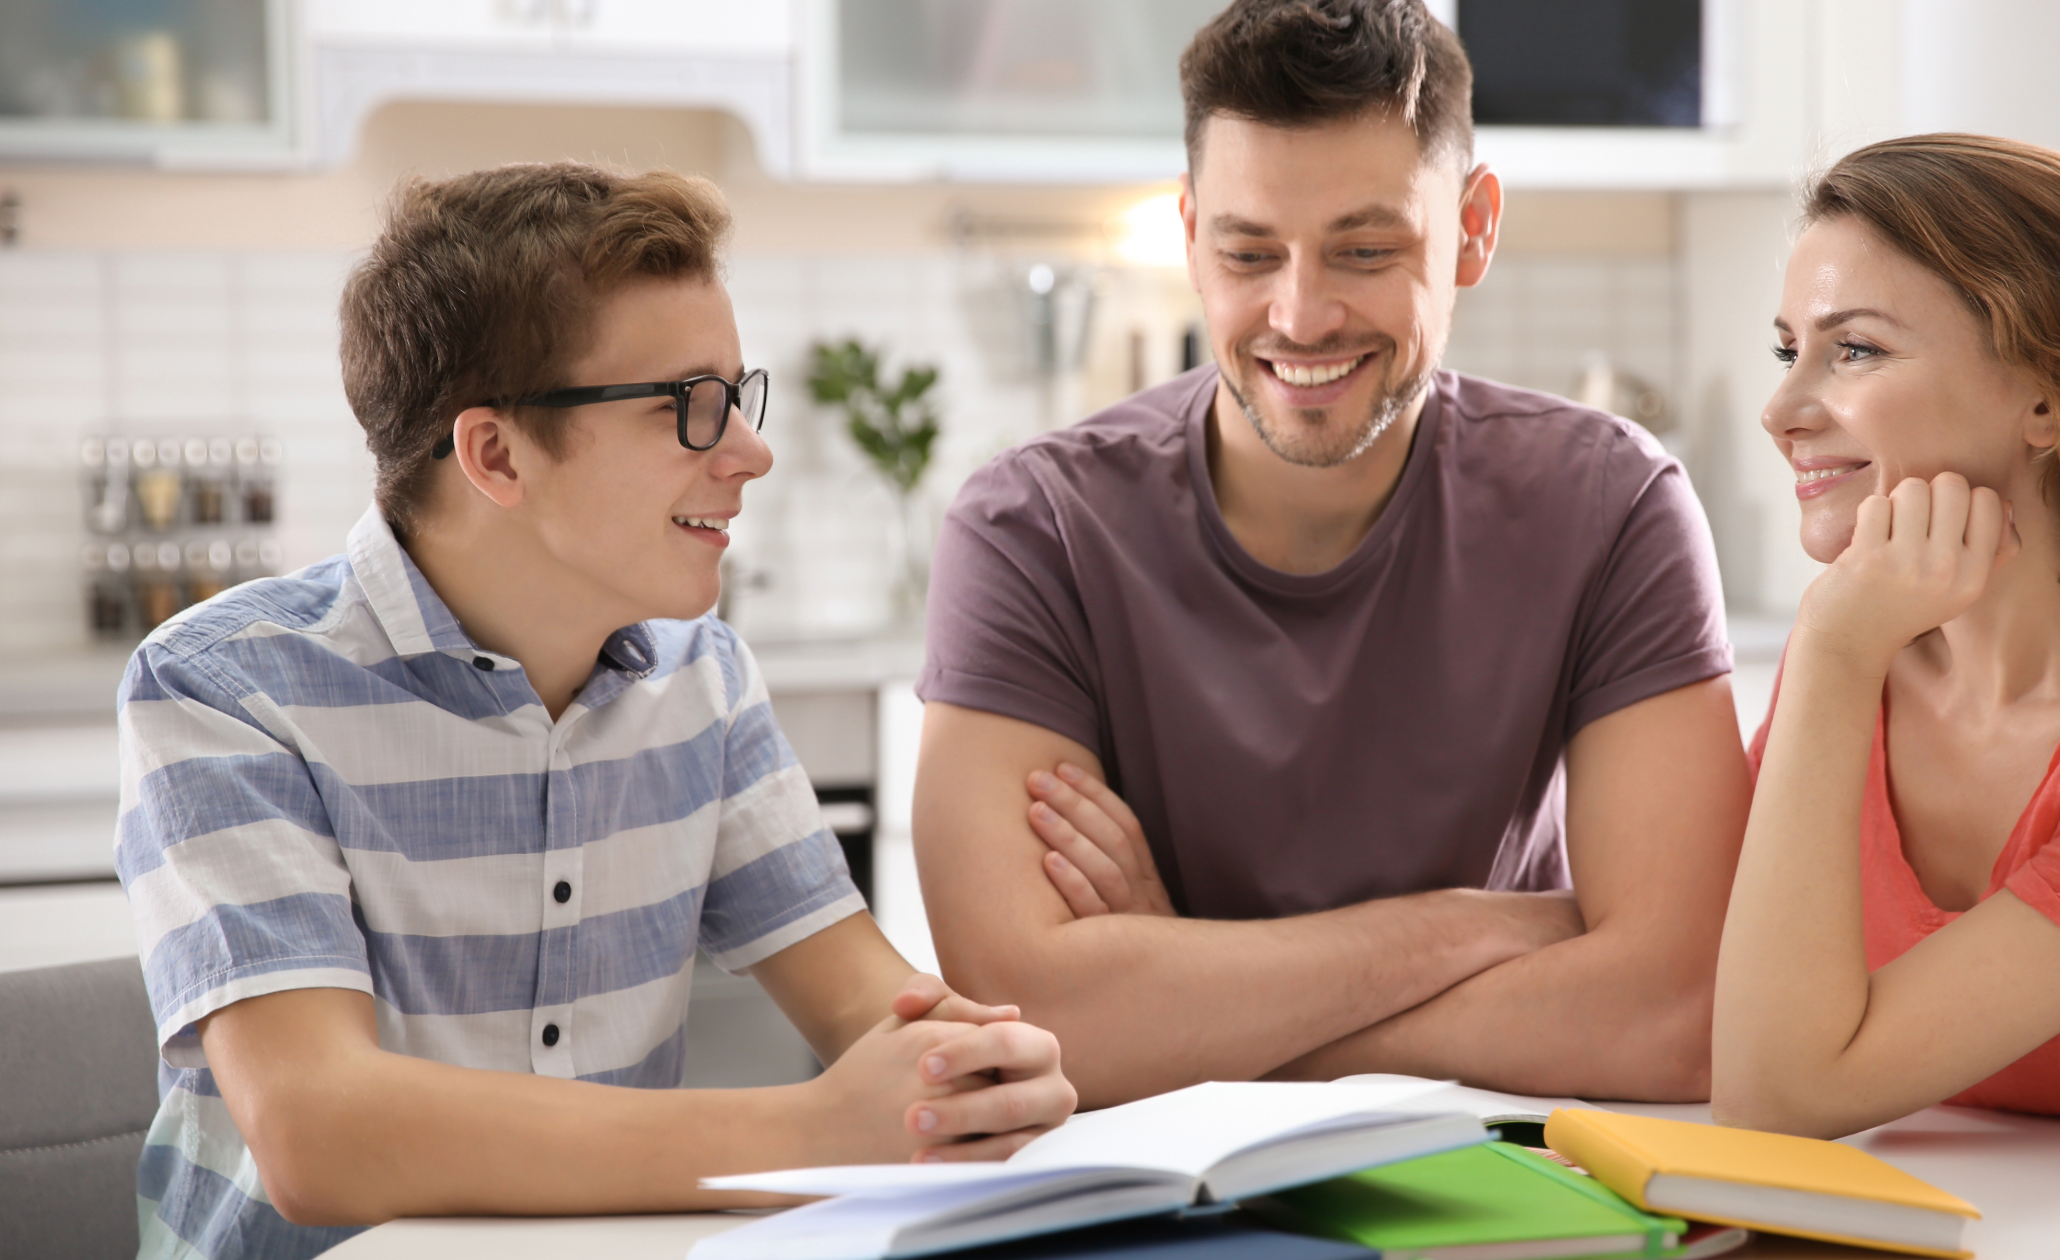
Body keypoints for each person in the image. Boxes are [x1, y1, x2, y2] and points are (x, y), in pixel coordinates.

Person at [117, 164, 1075, 1260]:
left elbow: (869, 1004)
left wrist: (974, 1070)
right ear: (495, 454)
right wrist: (808, 1130)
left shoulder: (699, 678)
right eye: (688, 408)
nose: (749, 454)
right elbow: (319, 1134)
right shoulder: (225, 689)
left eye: (735, 395)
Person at [912, 0, 1751, 1109]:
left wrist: (1189, 1013)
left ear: (1473, 228)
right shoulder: (1032, 532)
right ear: (1188, 231)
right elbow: (1035, 1010)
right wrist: (1467, 930)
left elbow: (1675, 1014)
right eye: (1248, 252)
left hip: (1506, 1182)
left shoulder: (1611, 506)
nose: (1299, 316)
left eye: (1363, 249)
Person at [1713, 133, 2060, 1139]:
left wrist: (1825, 652)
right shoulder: (1860, 671)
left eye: (1852, 349)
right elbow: (1689, 995)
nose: (1781, 411)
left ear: (2047, 393)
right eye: (1789, 350)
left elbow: (1774, 1097)